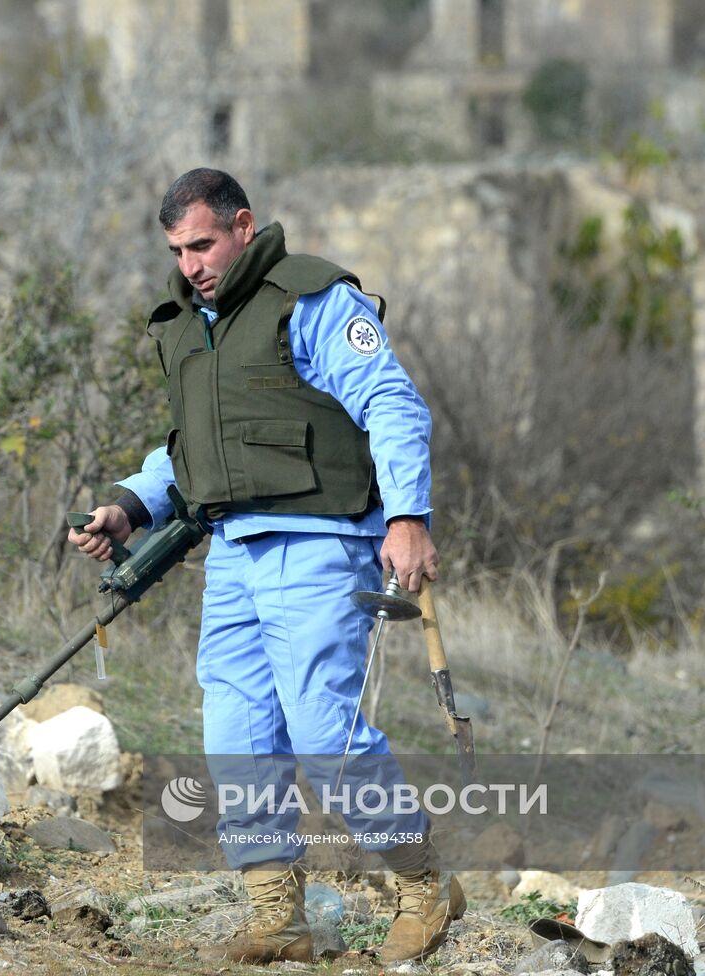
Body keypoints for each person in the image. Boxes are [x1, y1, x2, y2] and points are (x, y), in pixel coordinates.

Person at [69, 168, 463, 965]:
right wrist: (127, 506)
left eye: (203, 244)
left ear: (244, 225)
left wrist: (409, 517)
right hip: (236, 554)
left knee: (324, 737)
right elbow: (189, 450)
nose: (191, 264)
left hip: (321, 543)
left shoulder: (311, 299)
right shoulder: (186, 324)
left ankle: (425, 887)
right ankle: (277, 920)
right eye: (178, 250)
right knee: (238, 736)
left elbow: (390, 402)